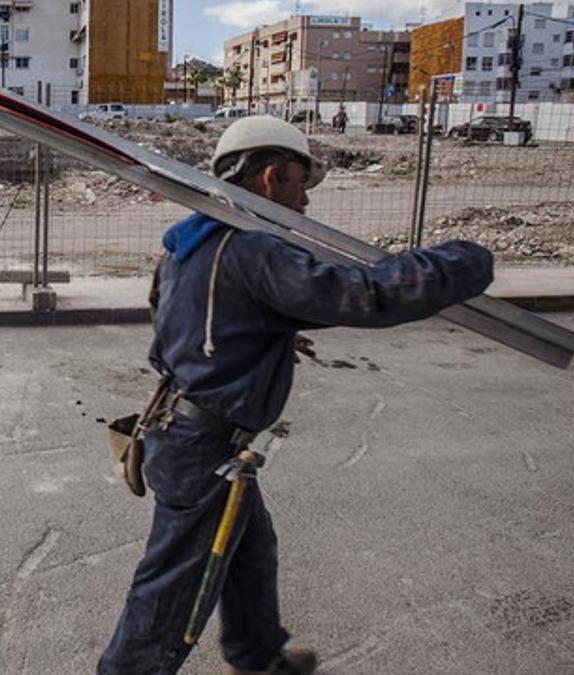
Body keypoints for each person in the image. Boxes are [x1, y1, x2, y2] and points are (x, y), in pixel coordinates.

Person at [97, 116, 494, 675]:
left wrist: (263, 332)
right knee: (168, 592)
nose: (305, 200)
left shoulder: (190, 243)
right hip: (203, 450)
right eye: (301, 182)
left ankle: (257, 658)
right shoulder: (252, 249)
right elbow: (370, 295)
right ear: (270, 176)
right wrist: (469, 261)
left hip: (181, 431)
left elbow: (175, 322)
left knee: (250, 552)